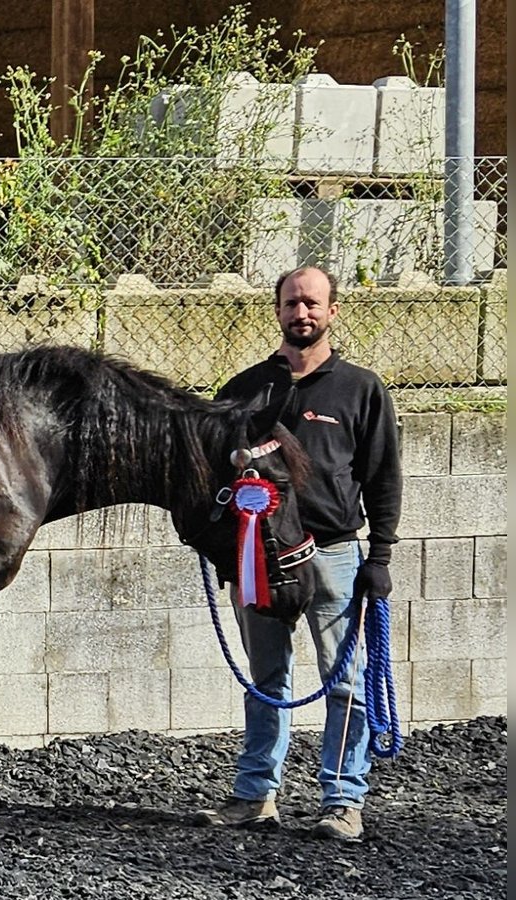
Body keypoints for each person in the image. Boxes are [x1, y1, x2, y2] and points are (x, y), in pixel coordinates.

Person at [198, 265, 402, 842]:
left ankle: (343, 799)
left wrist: (379, 557)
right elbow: (210, 474)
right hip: (258, 559)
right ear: (278, 310)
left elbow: (384, 478)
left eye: (312, 303)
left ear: (333, 311)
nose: (302, 313)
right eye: (292, 303)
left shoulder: (361, 389)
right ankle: (255, 795)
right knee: (266, 680)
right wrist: (224, 556)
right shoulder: (244, 389)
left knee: (346, 682)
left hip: (336, 555)